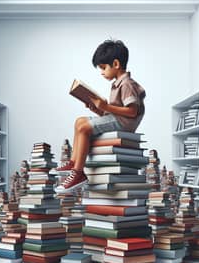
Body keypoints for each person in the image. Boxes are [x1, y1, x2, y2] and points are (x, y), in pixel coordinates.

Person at [55, 39, 146, 193]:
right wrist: (97, 110)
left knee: (84, 127)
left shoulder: (127, 84)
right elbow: (114, 111)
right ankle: (73, 161)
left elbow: (132, 111)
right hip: (118, 119)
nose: (102, 72)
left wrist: (105, 106)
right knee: (79, 121)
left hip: (125, 123)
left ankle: (78, 173)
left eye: (103, 68)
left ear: (116, 64)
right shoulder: (118, 83)